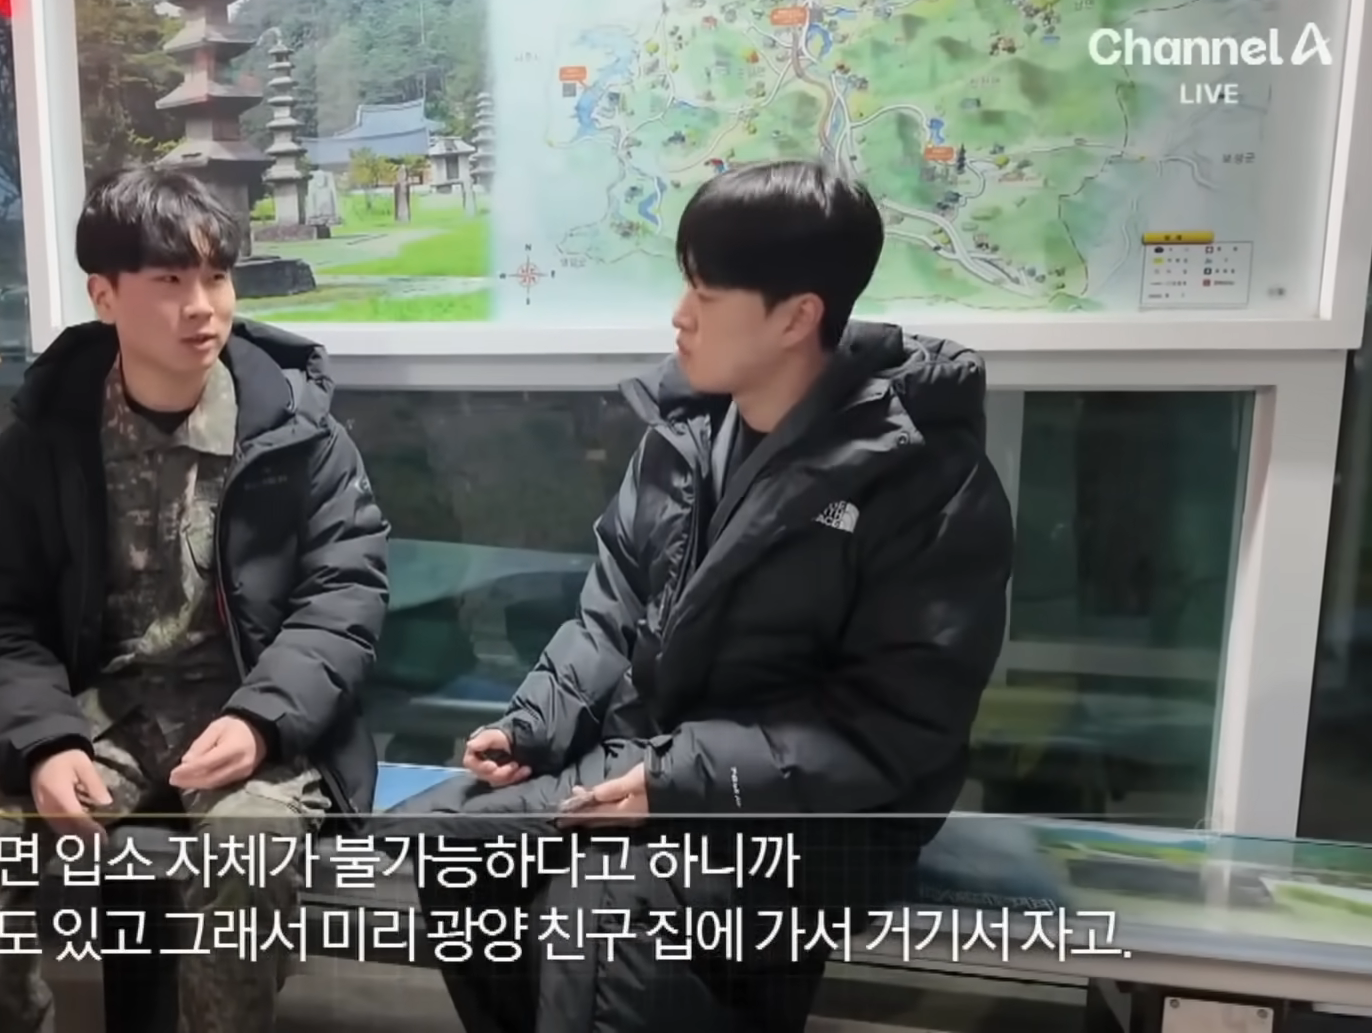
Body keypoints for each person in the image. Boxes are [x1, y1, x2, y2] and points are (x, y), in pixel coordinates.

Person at [377, 159, 1015, 1033]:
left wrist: (673, 782)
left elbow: (893, 724)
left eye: (707, 295)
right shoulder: (685, 433)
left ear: (797, 317)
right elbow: (611, 612)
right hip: (662, 764)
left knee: (605, 900)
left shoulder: (924, 477)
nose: (680, 315)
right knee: (452, 847)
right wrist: (534, 725)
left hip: (827, 814)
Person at [0, 166, 391, 1033]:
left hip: (249, 720)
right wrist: (43, 741)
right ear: (104, 296)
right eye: (170, 281)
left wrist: (262, 720)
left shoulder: (298, 434)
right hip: (96, 716)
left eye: (216, 277)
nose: (202, 307)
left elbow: (344, 597)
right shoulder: (41, 444)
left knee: (249, 847)